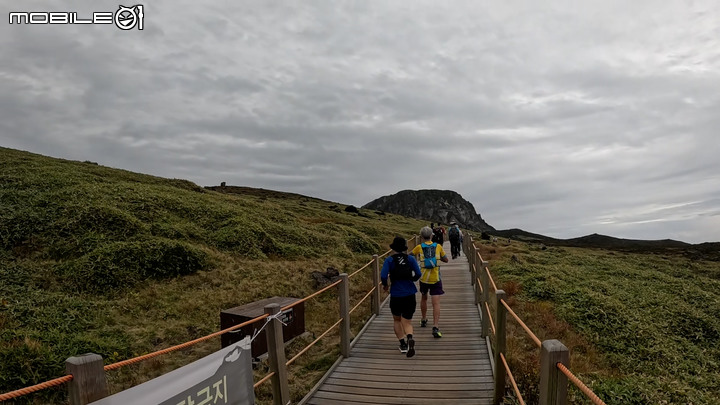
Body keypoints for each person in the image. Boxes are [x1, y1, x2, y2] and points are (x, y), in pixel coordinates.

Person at [381, 236, 422, 357]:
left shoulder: (389, 260)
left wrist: (385, 285)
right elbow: (418, 273)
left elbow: (383, 275)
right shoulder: (411, 259)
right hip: (410, 293)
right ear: (404, 247)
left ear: (393, 247)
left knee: (397, 319)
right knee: (407, 321)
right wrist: (412, 279)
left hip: (396, 294)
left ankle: (403, 344)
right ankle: (410, 337)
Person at [411, 226, 449, 338]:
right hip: (436, 277)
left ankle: (423, 319)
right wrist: (438, 258)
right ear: (432, 235)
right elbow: (446, 259)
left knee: (424, 297)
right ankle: (435, 327)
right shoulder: (438, 246)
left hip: (423, 278)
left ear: (421, 236)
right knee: (436, 303)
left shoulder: (419, 247)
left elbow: (410, 256)